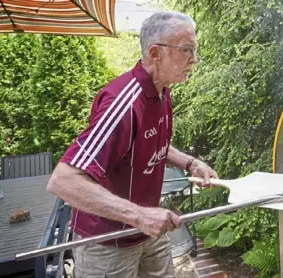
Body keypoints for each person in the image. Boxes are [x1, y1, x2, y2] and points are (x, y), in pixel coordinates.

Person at [47, 10, 218, 278]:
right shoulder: (123, 104)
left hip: (146, 230)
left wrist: (190, 162)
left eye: (194, 50)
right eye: (186, 50)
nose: (194, 59)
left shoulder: (161, 91)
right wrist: (141, 216)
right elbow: (64, 181)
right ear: (155, 53)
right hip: (107, 243)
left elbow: (149, 144)